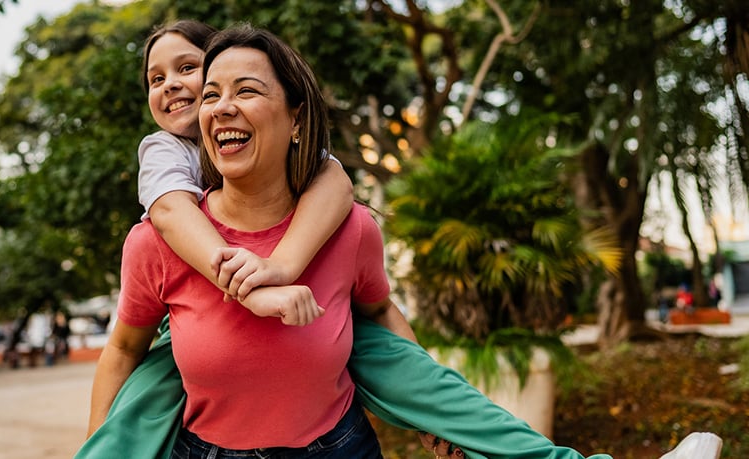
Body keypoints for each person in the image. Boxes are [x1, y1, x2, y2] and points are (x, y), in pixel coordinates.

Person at [81, 23, 613, 459]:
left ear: (295, 117)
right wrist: (259, 292)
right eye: (206, 92)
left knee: (410, 371)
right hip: (201, 428)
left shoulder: (342, 217)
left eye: (238, 87)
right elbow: (136, 313)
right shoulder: (161, 188)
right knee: (147, 399)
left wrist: (429, 417)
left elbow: (347, 213)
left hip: (338, 445)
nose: (198, 97)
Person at [137, 20, 353, 319]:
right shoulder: (163, 149)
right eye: (156, 79)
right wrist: (252, 291)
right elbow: (170, 212)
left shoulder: (273, 138)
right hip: (191, 314)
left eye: (187, 68)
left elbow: (333, 179)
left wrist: (281, 265)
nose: (170, 84)